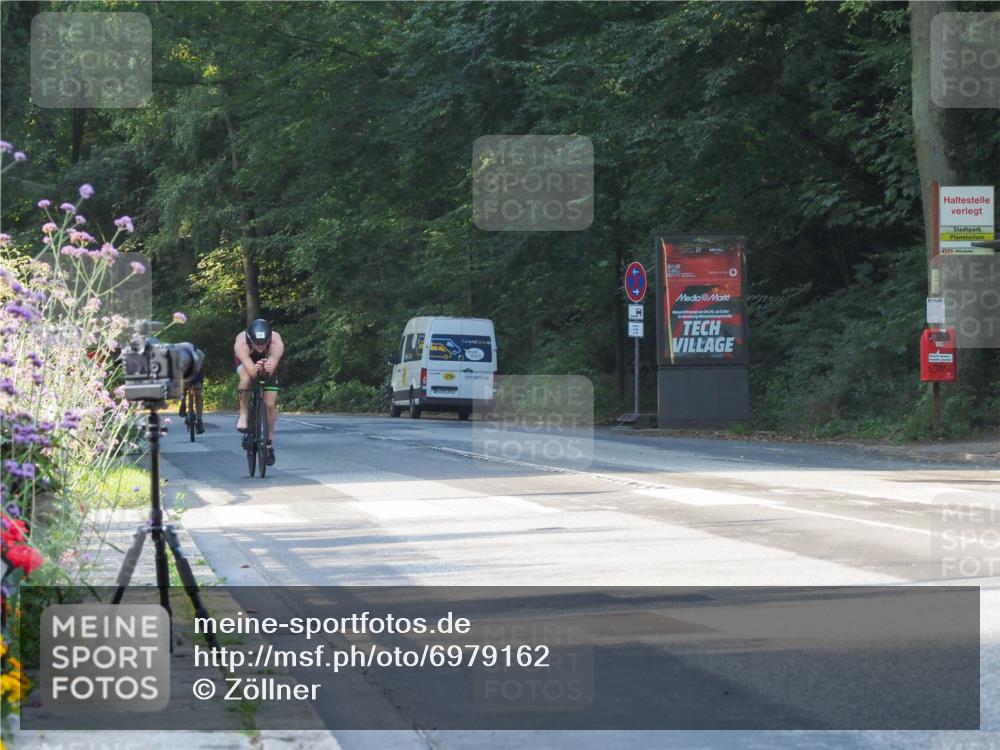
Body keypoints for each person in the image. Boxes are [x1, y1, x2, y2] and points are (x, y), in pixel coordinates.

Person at [234, 319, 284, 465]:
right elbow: (253, 374)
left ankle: (268, 443)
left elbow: (267, 373)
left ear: (269, 339)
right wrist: (256, 369)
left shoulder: (276, 343)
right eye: (257, 343)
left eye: (263, 343)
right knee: (246, 378)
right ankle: (243, 414)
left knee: (269, 405)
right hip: (247, 362)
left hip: (267, 362)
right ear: (250, 339)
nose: (260, 346)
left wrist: (266, 369)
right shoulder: (241, 343)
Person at [178, 348, 206, 434]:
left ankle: (199, 421)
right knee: (182, 386)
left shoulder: (200, 354)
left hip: (197, 372)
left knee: (198, 394)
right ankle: (183, 404)